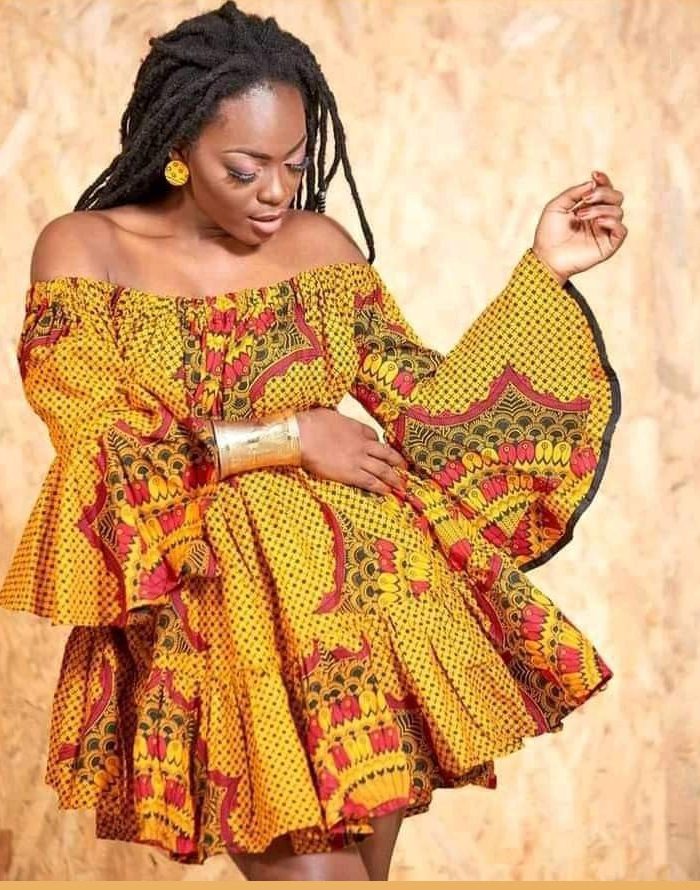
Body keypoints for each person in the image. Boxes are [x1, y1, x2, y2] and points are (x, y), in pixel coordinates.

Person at [0, 0, 627, 882]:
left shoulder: (319, 249)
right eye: (245, 167)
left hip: (373, 609)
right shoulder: (85, 251)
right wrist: (292, 435)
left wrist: (545, 268)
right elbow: (102, 449)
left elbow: (430, 412)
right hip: (216, 619)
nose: (275, 193)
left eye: (294, 165)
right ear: (178, 147)